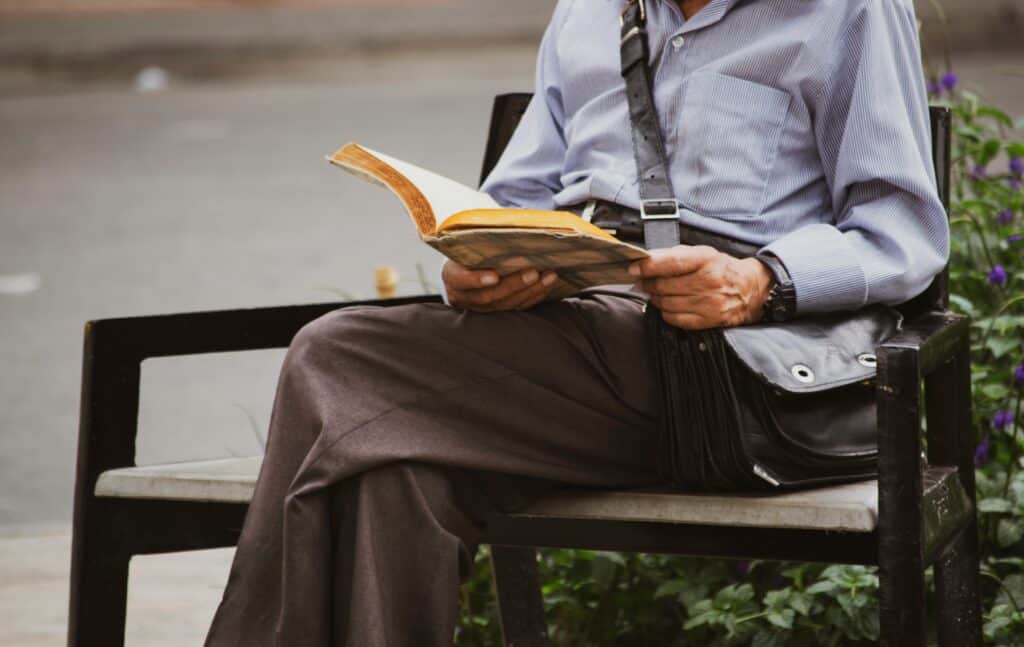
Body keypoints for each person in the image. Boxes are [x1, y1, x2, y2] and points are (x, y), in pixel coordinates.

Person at [204, 0, 948, 645]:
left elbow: (902, 231)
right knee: (396, 477)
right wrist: (481, 264)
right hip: (580, 341)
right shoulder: (589, 12)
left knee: (331, 354)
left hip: (730, 366)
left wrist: (759, 282)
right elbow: (516, 196)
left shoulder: (849, 11)